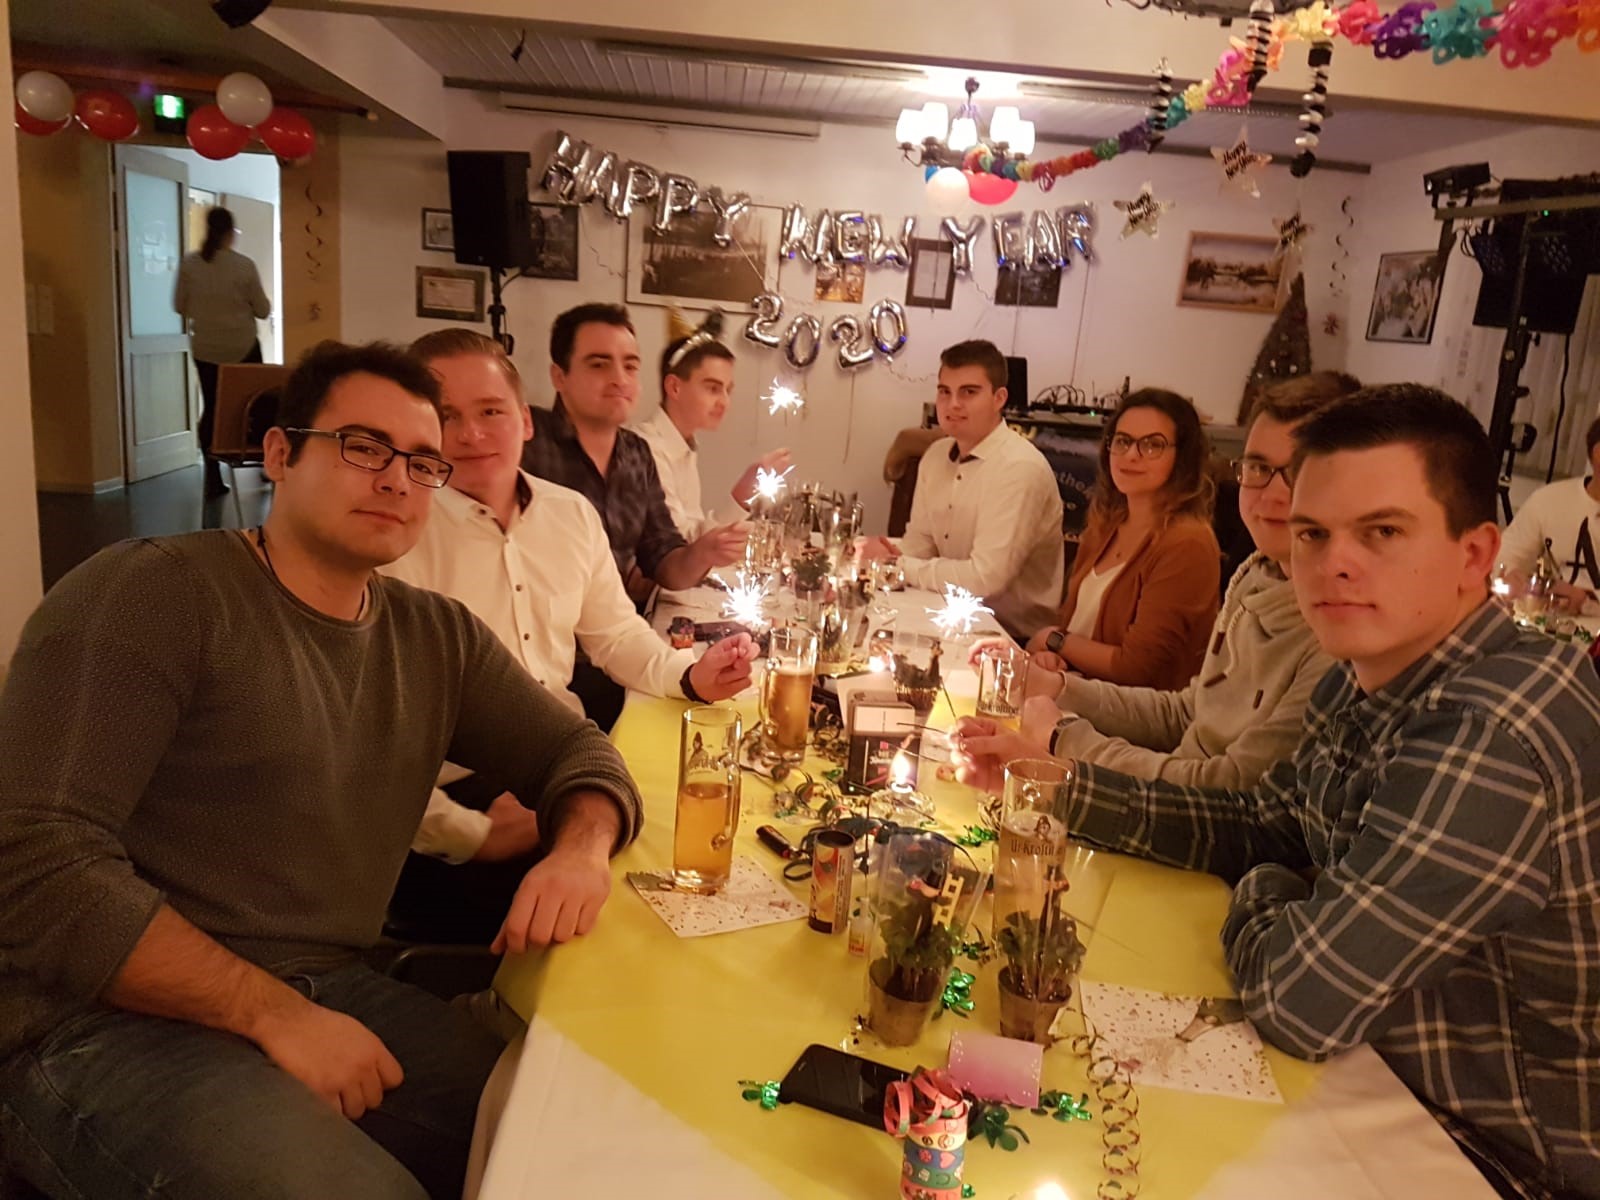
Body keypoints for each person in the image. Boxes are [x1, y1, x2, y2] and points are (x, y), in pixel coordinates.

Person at [0, 340, 644, 1200]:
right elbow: (35, 860)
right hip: (95, 1020)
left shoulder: (434, 637)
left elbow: (579, 752)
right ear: (280, 453)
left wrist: (581, 850)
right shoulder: (152, 594)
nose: (397, 481)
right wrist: (272, 1013)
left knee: (580, 1137)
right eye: (363, 447)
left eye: (422, 463)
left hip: (328, 987)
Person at [955, 385, 1600, 1200]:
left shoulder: (1493, 729)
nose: (1333, 564)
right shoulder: (1371, 671)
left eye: (1383, 532)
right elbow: (1256, 818)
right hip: (1368, 1077)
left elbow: (1301, 999)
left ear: (1475, 555)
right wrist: (1060, 787)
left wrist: (1272, 881)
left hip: (1487, 1158)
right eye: (1314, 533)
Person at [380, 328, 755, 943]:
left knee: (698, 857)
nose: (471, 434)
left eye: (491, 411)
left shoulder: (570, 513)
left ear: (525, 420)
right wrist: (471, 834)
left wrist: (690, 675)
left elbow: (615, 634)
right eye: (447, 417)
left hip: (562, 763)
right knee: (620, 932)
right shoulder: (396, 537)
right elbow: (370, 741)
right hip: (453, 793)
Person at [968, 373, 1358, 788]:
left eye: (1296, 471)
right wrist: (1054, 683)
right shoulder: (1253, 573)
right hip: (1147, 765)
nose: (1273, 495)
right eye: (1259, 468)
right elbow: (1189, 712)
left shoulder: (1337, 629)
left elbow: (1230, 789)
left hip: (1167, 792)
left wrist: (1064, 735)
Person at [522, 303, 746, 605]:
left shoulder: (636, 454)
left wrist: (704, 552)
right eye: (599, 365)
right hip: (538, 627)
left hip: (614, 626)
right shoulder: (526, 440)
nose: (620, 379)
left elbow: (664, 559)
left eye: (629, 367)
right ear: (559, 376)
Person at [859, 340, 1063, 640]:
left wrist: (898, 566)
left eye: (969, 392)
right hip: (946, 613)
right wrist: (883, 555)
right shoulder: (935, 456)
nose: (953, 404)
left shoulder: (1019, 468)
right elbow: (922, 542)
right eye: (945, 391)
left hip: (1012, 637)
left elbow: (985, 580)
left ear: (999, 398)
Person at [1025, 388, 1220, 690]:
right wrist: (1052, 658)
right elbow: (1074, 630)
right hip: (1075, 692)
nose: (1131, 455)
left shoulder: (1188, 543)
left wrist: (1055, 640)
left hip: (1129, 712)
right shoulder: (1107, 523)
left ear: (1182, 458)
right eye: (1123, 441)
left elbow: (1135, 669)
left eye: (1152, 445)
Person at [632, 316, 792, 540]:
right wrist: (743, 493)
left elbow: (693, 531)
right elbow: (680, 546)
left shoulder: (684, 446)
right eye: (713, 389)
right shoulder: (646, 450)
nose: (725, 402)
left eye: (728, 390)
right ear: (675, 387)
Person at [173, 206, 271, 498]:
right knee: (258, 404)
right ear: (230, 233)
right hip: (243, 346)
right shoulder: (243, 266)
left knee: (212, 408)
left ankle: (212, 474)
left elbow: (179, 305)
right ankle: (266, 462)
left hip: (205, 348)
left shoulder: (190, 264)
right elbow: (263, 310)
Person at [1498, 414, 1600, 616]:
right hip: (1546, 625)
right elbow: (1507, 557)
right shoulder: (1550, 501)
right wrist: (1513, 577)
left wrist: (1588, 601)